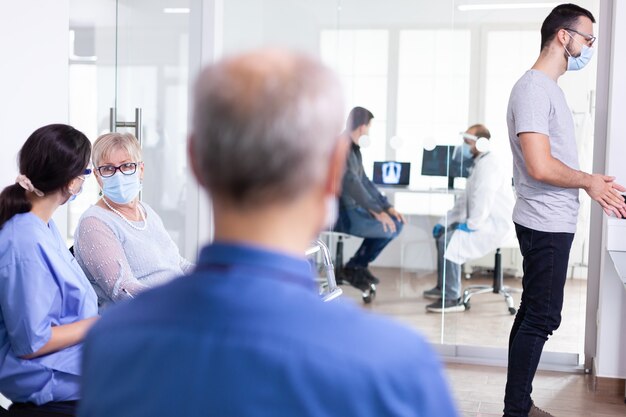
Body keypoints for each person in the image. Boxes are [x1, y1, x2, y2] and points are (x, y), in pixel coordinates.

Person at [78, 49, 459, 417]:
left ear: (196, 163)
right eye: (108, 169)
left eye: (126, 166)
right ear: (333, 173)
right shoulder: (396, 366)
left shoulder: (113, 343)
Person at [505, 4, 626, 416]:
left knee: (531, 314)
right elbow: (539, 165)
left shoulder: (547, 89)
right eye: (587, 39)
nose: (589, 48)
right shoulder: (535, 89)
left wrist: (592, 182)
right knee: (542, 317)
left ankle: (518, 404)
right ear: (563, 36)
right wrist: (589, 180)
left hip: (547, 219)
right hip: (544, 222)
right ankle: (516, 411)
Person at [0, 124, 99, 416]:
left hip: (74, 372)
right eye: (87, 173)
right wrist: (95, 325)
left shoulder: (44, 226)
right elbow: (32, 343)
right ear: (71, 182)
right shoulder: (23, 242)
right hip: (50, 387)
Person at [73, 132, 193, 309]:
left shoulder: (147, 212)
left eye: (127, 165)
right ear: (98, 177)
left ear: (141, 170)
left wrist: (212, 277)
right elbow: (123, 290)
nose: (118, 175)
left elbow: (177, 263)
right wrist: (179, 302)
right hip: (145, 319)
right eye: (108, 168)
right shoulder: (94, 224)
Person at [423, 124, 515, 313]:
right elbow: (464, 201)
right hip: (482, 220)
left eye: (467, 142)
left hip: (495, 225)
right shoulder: (479, 164)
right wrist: (444, 222)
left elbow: (484, 198)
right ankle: (443, 287)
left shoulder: (490, 165)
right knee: (443, 234)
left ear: (481, 143)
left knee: (449, 241)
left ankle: (452, 297)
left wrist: (471, 225)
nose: (463, 146)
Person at [333, 106, 405, 288]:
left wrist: (387, 207)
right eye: (369, 127)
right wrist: (376, 211)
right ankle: (354, 267)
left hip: (355, 208)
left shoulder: (355, 150)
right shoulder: (342, 146)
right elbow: (352, 183)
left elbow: (365, 181)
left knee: (397, 222)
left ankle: (358, 265)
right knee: (390, 227)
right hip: (343, 213)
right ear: (363, 126)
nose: (369, 131)